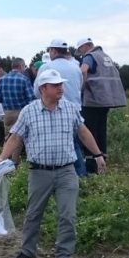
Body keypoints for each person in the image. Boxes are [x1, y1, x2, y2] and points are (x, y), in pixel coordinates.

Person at [0, 69, 106, 258]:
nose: (61, 89)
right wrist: (1, 159)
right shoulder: (29, 111)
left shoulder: (70, 109)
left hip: (66, 171)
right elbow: (15, 138)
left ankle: (64, 256)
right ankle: (28, 251)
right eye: (56, 85)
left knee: (67, 215)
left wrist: (98, 155)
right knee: (33, 213)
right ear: (43, 88)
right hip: (39, 172)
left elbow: (83, 133)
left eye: (61, 85)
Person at [37, 39, 87, 177]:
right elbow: (81, 86)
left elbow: (38, 90)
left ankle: (75, 174)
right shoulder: (76, 67)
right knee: (75, 143)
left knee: (64, 145)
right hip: (76, 109)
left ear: (53, 50)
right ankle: (81, 174)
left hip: (56, 110)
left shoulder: (46, 68)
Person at [76, 38, 127, 173]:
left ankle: (91, 164)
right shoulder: (105, 56)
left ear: (86, 46)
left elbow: (83, 70)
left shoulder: (90, 56)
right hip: (105, 100)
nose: (80, 54)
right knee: (101, 131)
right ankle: (103, 161)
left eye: (80, 50)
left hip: (92, 100)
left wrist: (81, 88)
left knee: (90, 132)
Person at [0, 58, 34, 164]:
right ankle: (14, 162)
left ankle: (4, 160)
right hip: (21, 111)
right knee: (18, 138)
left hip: (7, 112)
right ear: (21, 66)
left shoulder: (2, 79)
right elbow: (31, 97)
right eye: (24, 66)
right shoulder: (24, 79)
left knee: (8, 137)